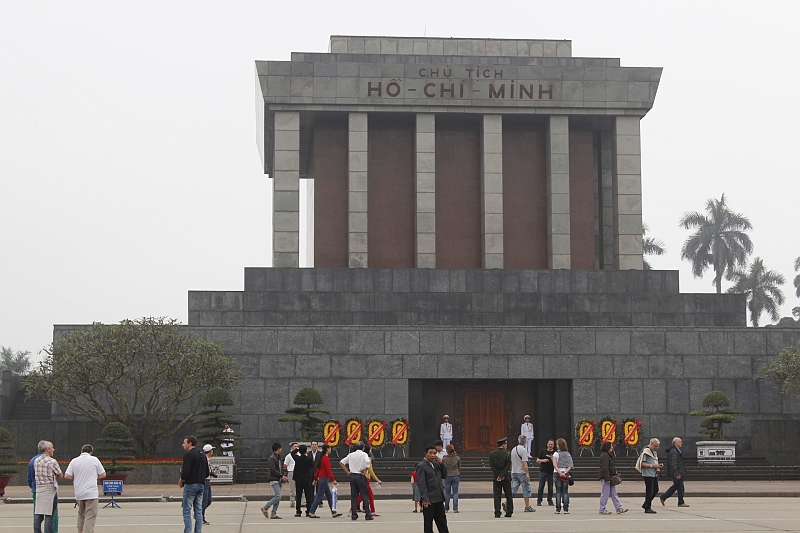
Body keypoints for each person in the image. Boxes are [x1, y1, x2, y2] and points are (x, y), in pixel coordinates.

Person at [64, 444, 106, 533]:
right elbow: (103, 474)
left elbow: (67, 476)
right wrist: (94, 476)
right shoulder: (94, 459)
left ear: (81, 451)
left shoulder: (74, 461)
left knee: (81, 514)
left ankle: (80, 531)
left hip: (79, 493)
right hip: (91, 492)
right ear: (91, 452)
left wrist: (76, 477)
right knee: (90, 515)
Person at [416, 444, 449, 533]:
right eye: (430, 453)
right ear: (425, 454)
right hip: (429, 500)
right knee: (428, 524)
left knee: (442, 522)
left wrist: (442, 464)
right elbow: (421, 484)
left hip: (439, 498)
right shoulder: (421, 466)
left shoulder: (436, 464)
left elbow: (444, 475)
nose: (433, 455)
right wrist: (425, 499)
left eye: (434, 453)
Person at [180, 435, 210, 533]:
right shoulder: (202, 454)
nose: (182, 445)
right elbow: (206, 473)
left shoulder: (188, 455)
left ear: (190, 443)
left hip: (190, 485)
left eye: (184, 442)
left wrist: (181, 480)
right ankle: (198, 531)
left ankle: (188, 531)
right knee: (198, 510)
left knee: (186, 510)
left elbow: (185, 472)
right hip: (201, 485)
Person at [339, 441, 374, 521]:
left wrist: (347, 472)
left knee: (354, 495)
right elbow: (368, 462)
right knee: (364, 495)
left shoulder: (351, 455)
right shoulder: (364, 454)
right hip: (361, 476)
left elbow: (341, 462)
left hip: (353, 476)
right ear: (363, 448)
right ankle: (367, 514)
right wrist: (365, 469)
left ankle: (354, 514)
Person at [29, 441, 58, 533]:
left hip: (37, 489)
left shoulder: (34, 460)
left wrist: (33, 487)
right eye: (52, 447)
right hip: (49, 489)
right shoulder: (52, 461)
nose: (54, 449)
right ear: (47, 449)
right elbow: (59, 474)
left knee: (38, 513)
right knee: (50, 514)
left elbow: (30, 477)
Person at [308, 444, 342, 518]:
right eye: (330, 448)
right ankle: (311, 511)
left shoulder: (322, 458)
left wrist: (315, 478)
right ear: (327, 449)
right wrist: (333, 479)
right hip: (324, 478)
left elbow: (318, 469)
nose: (330, 450)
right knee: (319, 496)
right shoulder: (325, 458)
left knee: (329, 496)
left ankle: (333, 512)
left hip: (321, 478)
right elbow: (328, 470)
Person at [598, 440, 627, 515]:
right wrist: (607, 478)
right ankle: (602, 509)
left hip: (610, 477)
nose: (612, 447)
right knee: (605, 493)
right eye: (611, 446)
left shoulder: (607, 455)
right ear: (608, 447)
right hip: (607, 477)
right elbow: (605, 468)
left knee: (614, 493)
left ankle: (619, 508)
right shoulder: (605, 455)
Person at [660, 436, 690, 507]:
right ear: (675, 443)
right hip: (677, 473)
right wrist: (677, 473)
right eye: (680, 442)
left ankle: (664, 497)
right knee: (680, 487)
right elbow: (674, 462)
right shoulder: (674, 451)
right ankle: (680, 502)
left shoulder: (676, 450)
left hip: (678, 472)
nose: (681, 443)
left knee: (676, 486)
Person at [261, 442, 288, 519]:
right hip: (274, 479)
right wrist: (281, 475)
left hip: (278, 479)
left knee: (278, 497)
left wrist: (283, 476)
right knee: (278, 496)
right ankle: (265, 508)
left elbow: (279, 469)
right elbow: (272, 470)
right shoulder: (272, 458)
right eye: (281, 448)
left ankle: (273, 513)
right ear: (278, 449)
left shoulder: (278, 457)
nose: (281, 450)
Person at [355, 444, 382, 516]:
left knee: (364, 495)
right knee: (368, 495)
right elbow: (370, 471)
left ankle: (354, 508)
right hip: (366, 478)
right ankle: (372, 511)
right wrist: (377, 480)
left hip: (359, 477)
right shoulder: (368, 459)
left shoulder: (361, 458)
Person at [488, 437, 513, 518]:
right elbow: (507, 466)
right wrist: (502, 475)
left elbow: (492, 466)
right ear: (503, 445)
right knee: (508, 495)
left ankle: (497, 512)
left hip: (496, 477)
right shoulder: (507, 454)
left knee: (497, 495)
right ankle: (509, 511)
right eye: (506, 444)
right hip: (505, 477)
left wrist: (498, 475)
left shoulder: (492, 454)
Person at [638, 438, 662, 514]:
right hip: (648, 474)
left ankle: (646, 504)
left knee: (655, 489)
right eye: (655, 446)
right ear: (651, 443)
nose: (656, 448)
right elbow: (642, 463)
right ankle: (647, 507)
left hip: (653, 473)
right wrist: (652, 466)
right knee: (650, 491)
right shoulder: (646, 451)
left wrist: (658, 465)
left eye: (657, 446)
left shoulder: (653, 451)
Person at [510, 435, 534, 512]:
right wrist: (527, 473)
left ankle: (508, 502)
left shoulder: (513, 449)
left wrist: (512, 470)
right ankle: (527, 506)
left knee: (513, 488)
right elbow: (524, 463)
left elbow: (511, 462)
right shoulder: (523, 450)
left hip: (514, 471)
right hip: (521, 472)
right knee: (526, 488)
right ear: (525, 441)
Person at [551, 437, 573, 515]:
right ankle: (566, 509)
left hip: (557, 473)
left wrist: (560, 473)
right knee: (565, 491)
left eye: (557, 444)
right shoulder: (568, 454)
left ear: (559, 445)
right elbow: (570, 465)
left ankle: (558, 508)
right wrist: (565, 472)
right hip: (565, 473)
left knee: (558, 492)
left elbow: (554, 465)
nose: (556, 446)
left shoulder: (556, 454)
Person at [293, 444, 314, 517]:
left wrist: (297, 449)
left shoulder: (297, 458)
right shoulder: (309, 459)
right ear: (306, 451)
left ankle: (298, 511)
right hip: (307, 479)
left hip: (298, 479)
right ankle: (308, 510)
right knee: (308, 495)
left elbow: (292, 453)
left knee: (298, 495)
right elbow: (312, 465)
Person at [535, 439, 555, 507]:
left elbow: (557, 462)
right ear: (547, 444)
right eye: (549, 444)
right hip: (543, 471)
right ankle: (539, 500)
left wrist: (552, 459)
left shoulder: (555, 453)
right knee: (541, 486)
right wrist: (543, 460)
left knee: (551, 487)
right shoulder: (543, 451)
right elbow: (537, 460)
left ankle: (550, 500)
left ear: (553, 445)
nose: (550, 446)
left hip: (551, 472)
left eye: (551, 445)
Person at [201, 444, 217, 525]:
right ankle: (200, 516)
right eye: (212, 450)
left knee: (208, 500)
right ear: (210, 451)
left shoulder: (207, 459)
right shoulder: (204, 460)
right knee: (205, 501)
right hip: (205, 482)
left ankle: (199, 514)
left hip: (207, 481)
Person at [442, 444, 460, 513]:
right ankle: (455, 508)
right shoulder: (457, 457)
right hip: (456, 474)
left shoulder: (445, 458)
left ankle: (446, 508)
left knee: (447, 493)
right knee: (455, 492)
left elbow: (443, 467)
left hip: (447, 475)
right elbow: (459, 467)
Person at [309, 441, 323, 508]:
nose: (314, 446)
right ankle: (311, 501)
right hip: (310, 473)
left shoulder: (320, 454)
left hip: (318, 473)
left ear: (317, 446)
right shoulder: (308, 454)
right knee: (311, 488)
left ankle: (319, 501)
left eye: (315, 444)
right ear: (311, 446)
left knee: (319, 488)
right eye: (313, 444)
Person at [284, 442, 298, 507]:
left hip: (298, 472)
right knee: (292, 488)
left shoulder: (299, 455)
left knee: (301, 487)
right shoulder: (289, 456)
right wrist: (289, 470)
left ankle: (302, 502)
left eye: (297, 446)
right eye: (295, 446)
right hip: (291, 472)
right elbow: (285, 465)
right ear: (291, 447)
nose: (296, 448)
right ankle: (292, 502)